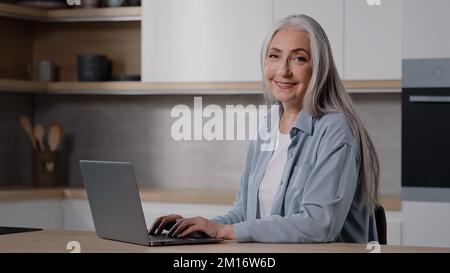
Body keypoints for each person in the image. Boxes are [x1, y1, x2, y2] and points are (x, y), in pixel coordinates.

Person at [149, 14, 380, 243]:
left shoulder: (335, 128)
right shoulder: (267, 125)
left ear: (319, 67)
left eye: (298, 59)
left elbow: (319, 224)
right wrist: (200, 228)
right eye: (274, 56)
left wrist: (223, 231)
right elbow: (243, 215)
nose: (283, 70)